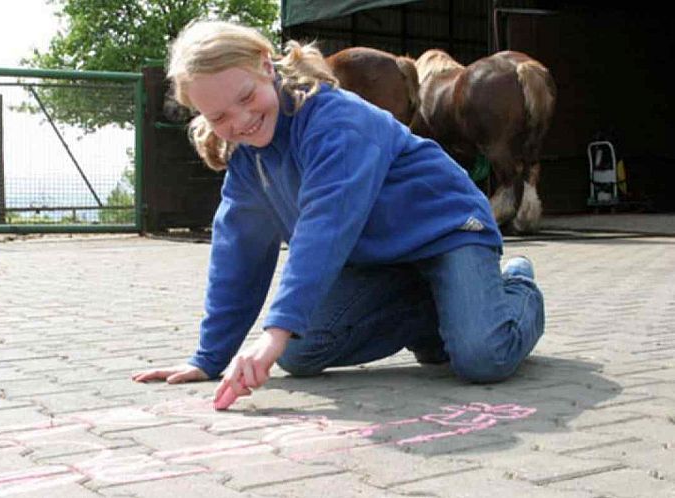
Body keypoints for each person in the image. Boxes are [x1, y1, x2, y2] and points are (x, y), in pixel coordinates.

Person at [131, 19, 545, 406]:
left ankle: (516, 284)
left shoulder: (335, 120)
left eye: (245, 97)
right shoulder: (247, 155)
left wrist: (272, 333)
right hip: (380, 260)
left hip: (449, 233)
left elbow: (324, 227)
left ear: (264, 65)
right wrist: (209, 357)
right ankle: (439, 309)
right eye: (219, 116)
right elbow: (238, 247)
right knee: (298, 351)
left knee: (482, 358)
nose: (240, 121)